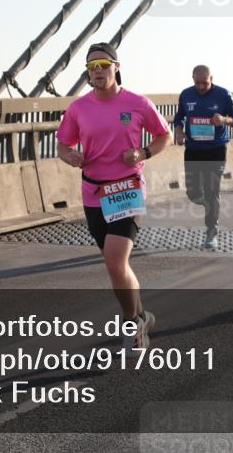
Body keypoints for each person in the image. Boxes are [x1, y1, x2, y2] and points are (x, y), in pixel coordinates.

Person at [56, 43, 171, 354]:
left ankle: (131, 326)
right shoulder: (78, 108)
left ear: (116, 67)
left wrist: (144, 152)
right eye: (92, 66)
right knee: (117, 267)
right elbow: (63, 145)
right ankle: (141, 316)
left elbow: (164, 136)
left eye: (104, 64)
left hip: (127, 189)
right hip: (94, 190)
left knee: (115, 260)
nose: (98, 71)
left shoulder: (137, 103)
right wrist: (71, 157)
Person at [173, 65, 233, 249]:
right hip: (193, 149)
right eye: (197, 82)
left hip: (216, 149)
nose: (200, 86)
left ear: (211, 78)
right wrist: (179, 133)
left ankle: (211, 231)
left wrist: (224, 120)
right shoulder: (186, 94)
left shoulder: (223, 94)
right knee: (193, 192)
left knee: (212, 190)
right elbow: (179, 118)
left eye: (204, 83)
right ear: (192, 79)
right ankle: (210, 205)